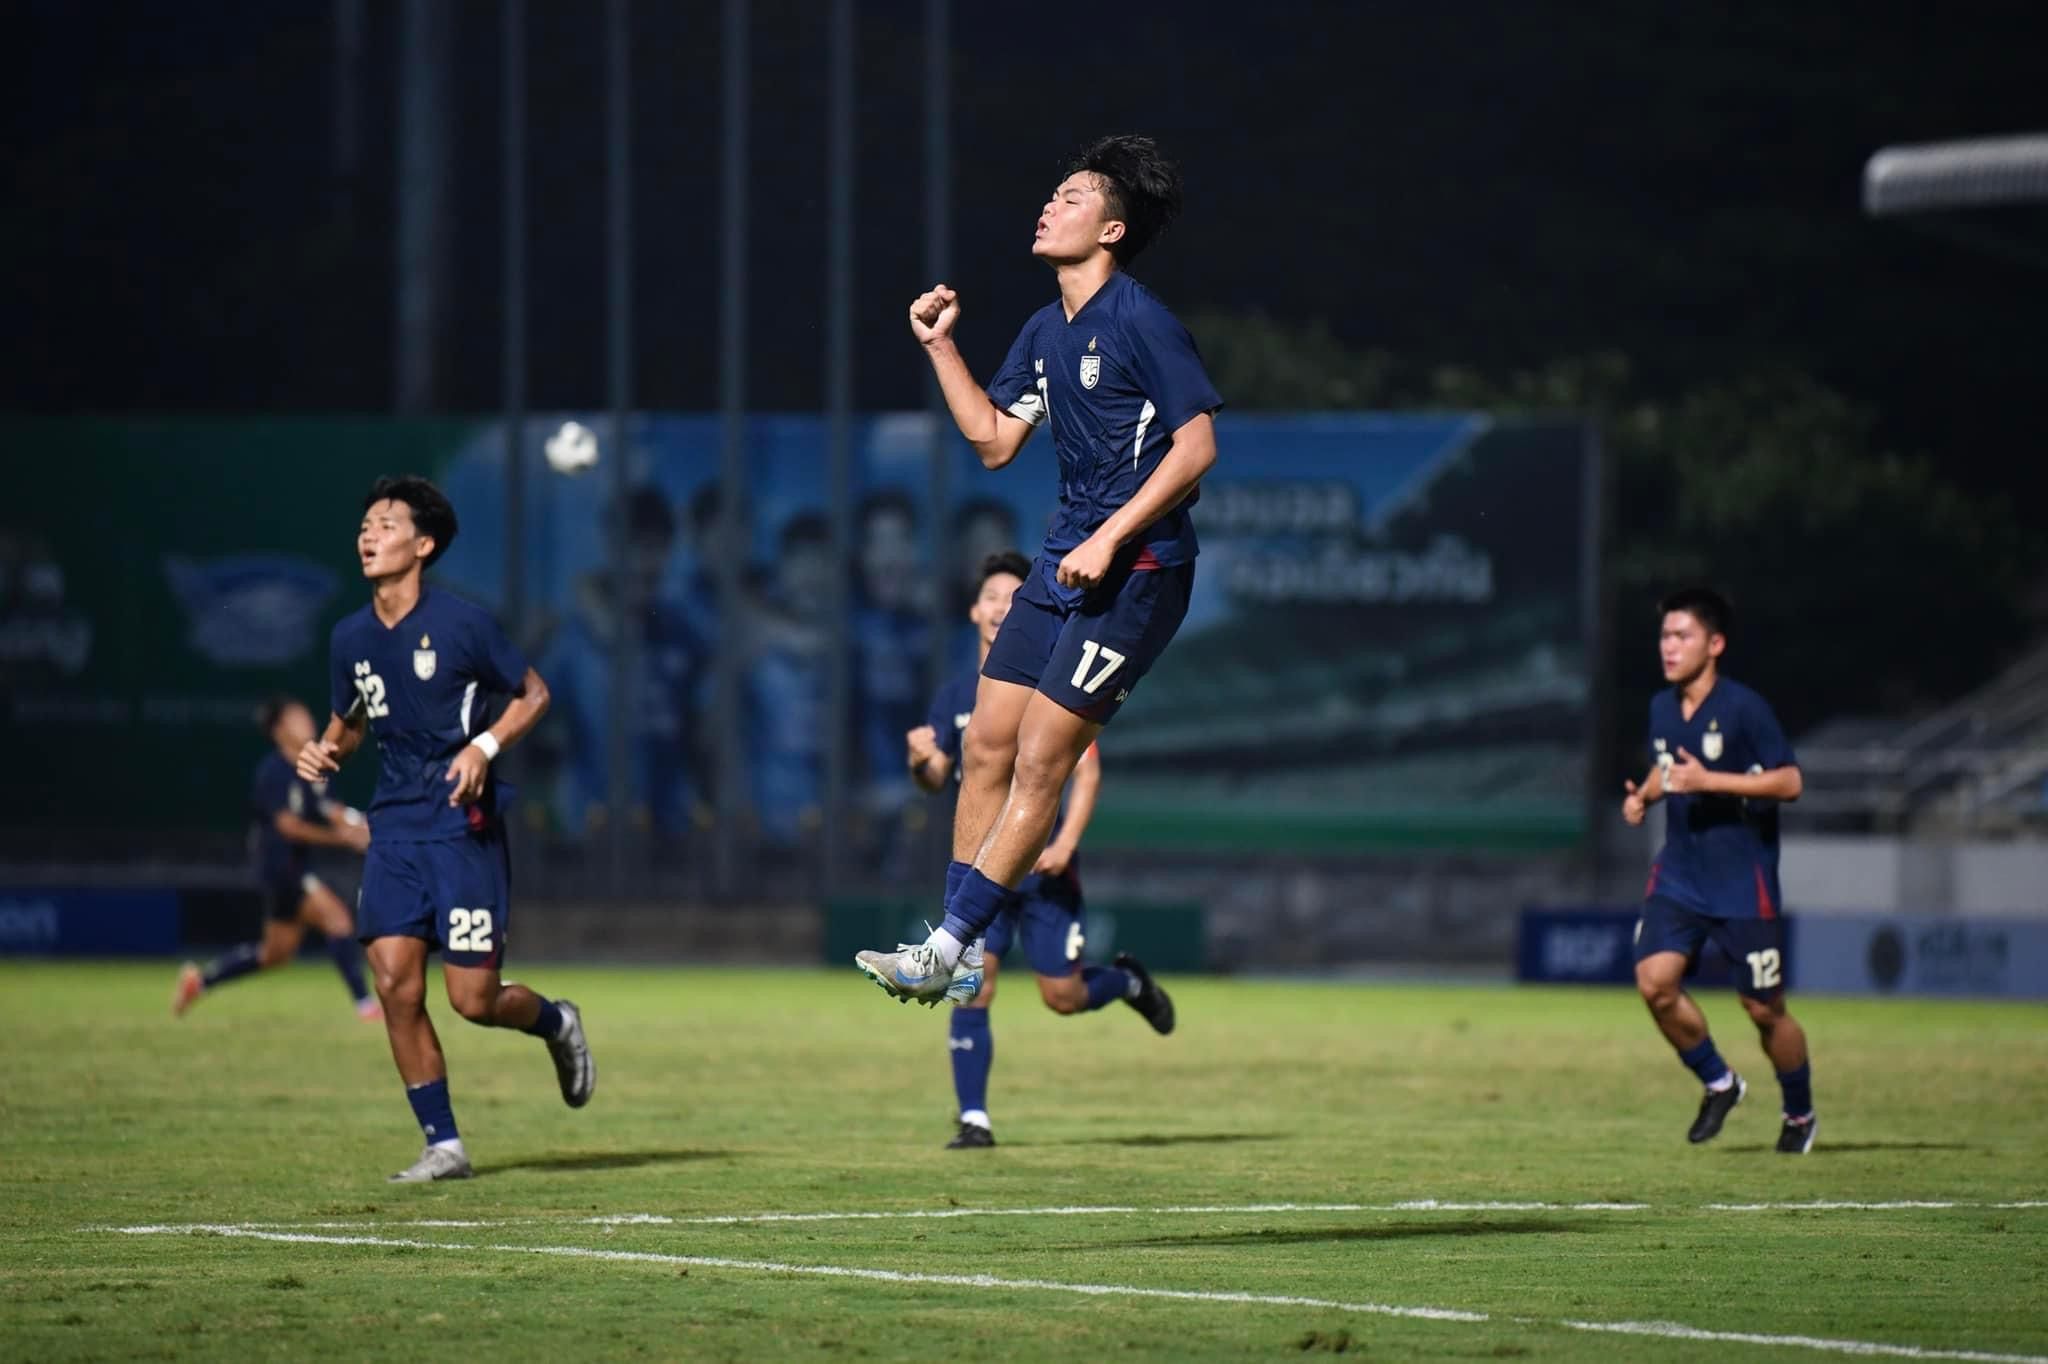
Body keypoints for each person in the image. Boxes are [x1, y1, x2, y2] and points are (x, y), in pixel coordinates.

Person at [856, 134, 1221, 1006]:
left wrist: (1112, 538)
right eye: (1052, 194)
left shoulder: (1140, 318)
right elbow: (992, 442)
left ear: (1112, 230)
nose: (1049, 205)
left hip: (1139, 573)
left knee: (1040, 756)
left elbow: (1198, 445)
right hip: (1063, 561)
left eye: (1071, 197)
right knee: (983, 743)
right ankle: (950, 955)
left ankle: (946, 948)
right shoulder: (1041, 329)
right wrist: (941, 347)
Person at [299, 475, 593, 1182]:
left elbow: (534, 694)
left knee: (473, 1000)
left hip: (464, 828)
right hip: (395, 829)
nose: (368, 535)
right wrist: (324, 749)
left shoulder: (463, 624)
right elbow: (350, 723)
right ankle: (445, 1145)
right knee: (397, 983)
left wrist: (482, 748)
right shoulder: (350, 637)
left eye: (386, 524)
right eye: (365, 524)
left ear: (422, 545)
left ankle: (556, 1022)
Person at [909, 552, 1174, 1148]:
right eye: (993, 597)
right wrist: (921, 762)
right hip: (981, 871)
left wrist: (1069, 842)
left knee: (1063, 996)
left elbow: (1086, 771)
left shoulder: (1049, 687)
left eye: (1014, 596)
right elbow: (937, 777)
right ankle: (974, 1118)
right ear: (975, 610)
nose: (1003, 608)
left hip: (1043, 870)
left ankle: (1129, 986)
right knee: (971, 981)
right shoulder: (955, 695)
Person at [1624, 587, 1816, 1154]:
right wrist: (1645, 797)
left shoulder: (1744, 709)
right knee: (1655, 985)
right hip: (1680, 873)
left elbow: (1790, 782)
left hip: (1742, 879)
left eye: (1682, 636)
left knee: (1762, 1008)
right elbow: (1668, 770)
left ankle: (1800, 1113)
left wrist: (1712, 781)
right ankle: (1719, 1081)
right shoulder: (1662, 707)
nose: (1669, 646)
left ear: (1715, 643)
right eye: (1665, 635)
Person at [173, 697, 377, 1020]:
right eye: (297, 718)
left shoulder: (315, 767)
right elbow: (288, 826)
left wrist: (366, 827)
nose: (308, 721)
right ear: (279, 730)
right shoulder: (273, 771)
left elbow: (335, 813)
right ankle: (365, 1005)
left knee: (276, 953)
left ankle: (200, 981)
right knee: (338, 920)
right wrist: (342, 838)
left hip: (296, 868)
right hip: (280, 868)